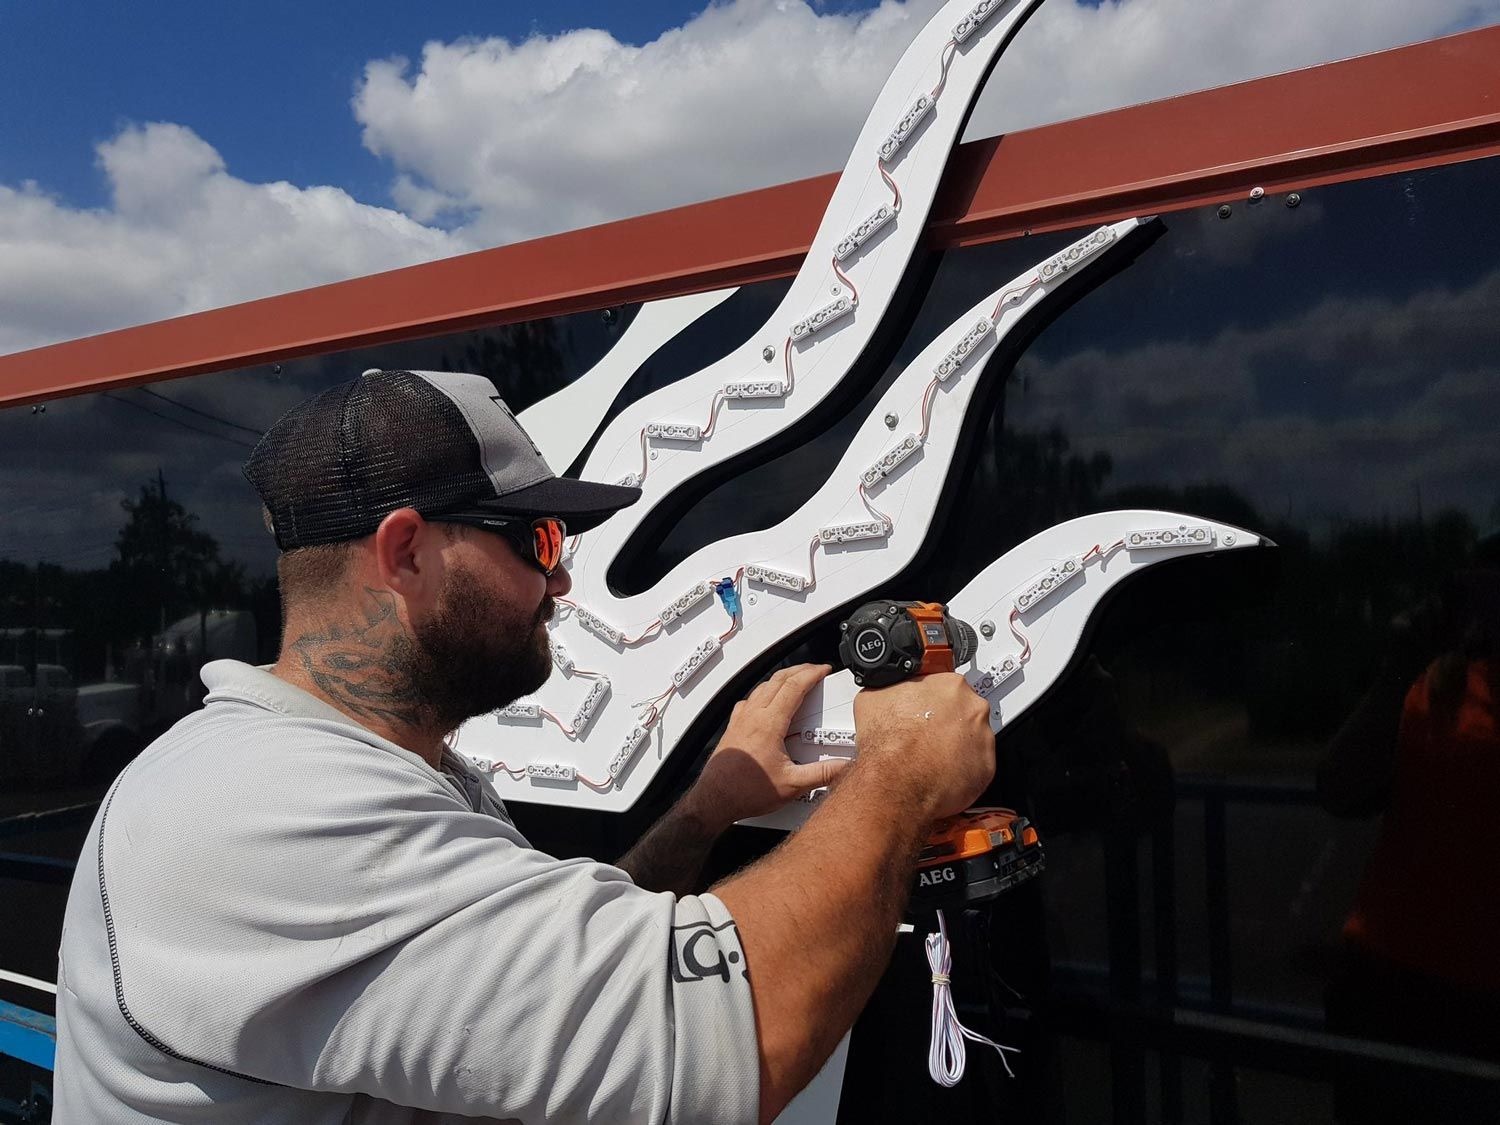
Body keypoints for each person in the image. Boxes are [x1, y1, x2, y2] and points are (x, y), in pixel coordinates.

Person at [52, 369, 996, 1124]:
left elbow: (550, 972)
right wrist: (901, 775)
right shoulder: (259, 807)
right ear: (406, 551)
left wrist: (709, 804)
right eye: (539, 538)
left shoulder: (395, 770)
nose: (563, 581)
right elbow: (728, 1039)